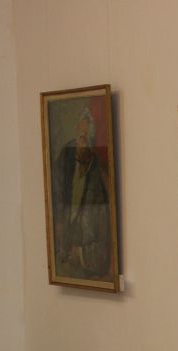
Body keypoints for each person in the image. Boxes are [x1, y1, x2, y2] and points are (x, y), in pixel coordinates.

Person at [51, 106, 112, 280]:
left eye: (83, 139)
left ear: (92, 145)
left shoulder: (99, 183)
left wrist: (79, 253)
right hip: (66, 265)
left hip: (87, 269)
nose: (78, 144)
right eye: (78, 137)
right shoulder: (67, 163)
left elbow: (105, 245)